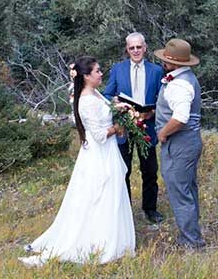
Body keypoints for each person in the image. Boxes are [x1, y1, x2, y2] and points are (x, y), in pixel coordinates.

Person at [22, 57, 135, 266]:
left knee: (111, 194)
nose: (101, 74)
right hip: (98, 154)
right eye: (98, 71)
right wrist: (117, 129)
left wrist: (119, 109)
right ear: (86, 76)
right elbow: (100, 135)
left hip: (106, 153)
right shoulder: (85, 100)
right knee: (98, 196)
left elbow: (106, 109)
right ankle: (96, 242)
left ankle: (112, 238)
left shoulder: (95, 94)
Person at [103, 32, 166, 224]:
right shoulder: (118, 69)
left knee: (149, 170)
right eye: (132, 48)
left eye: (139, 47)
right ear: (127, 50)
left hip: (147, 125)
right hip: (124, 126)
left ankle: (150, 208)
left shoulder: (156, 71)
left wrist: (152, 112)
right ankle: (125, 210)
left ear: (145, 48)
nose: (136, 51)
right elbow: (106, 95)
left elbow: (162, 99)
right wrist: (115, 102)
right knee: (124, 170)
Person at [154, 38, 207, 249]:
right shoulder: (185, 78)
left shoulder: (180, 85)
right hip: (188, 142)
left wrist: (163, 134)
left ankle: (191, 242)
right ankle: (192, 234)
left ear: (172, 63)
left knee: (179, 191)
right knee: (187, 188)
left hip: (180, 143)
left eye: (165, 60)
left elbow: (180, 117)